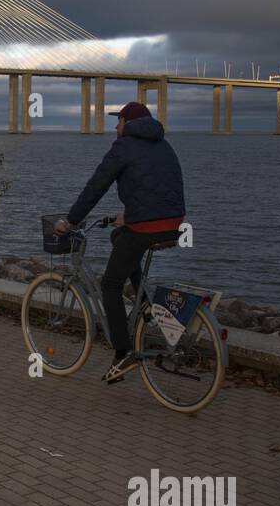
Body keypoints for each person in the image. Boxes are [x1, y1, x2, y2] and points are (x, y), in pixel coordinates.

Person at [55, 101, 186, 384]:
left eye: (119, 121)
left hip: (146, 226)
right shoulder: (165, 145)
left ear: (127, 123)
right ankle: (145, 304)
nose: (115, 126)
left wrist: (71, 220)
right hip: (173, 224)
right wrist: (128, 216)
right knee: (119, 237)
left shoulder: (123, 147)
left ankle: (123, 352)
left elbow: (96, 186)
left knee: (110, 285)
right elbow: (161, 187)